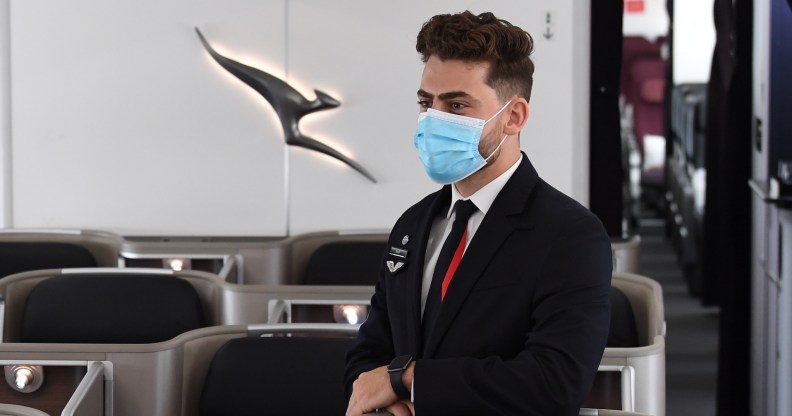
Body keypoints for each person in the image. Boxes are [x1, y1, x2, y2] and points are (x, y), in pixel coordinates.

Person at [345, 10, 612, 416]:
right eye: (425, 103)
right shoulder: (413, 226)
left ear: (513, 116)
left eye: (456, 105)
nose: (433, 119)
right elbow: (369, 353)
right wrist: (388, 404)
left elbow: (554, 383)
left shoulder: (570, 235)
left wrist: (407, 381)